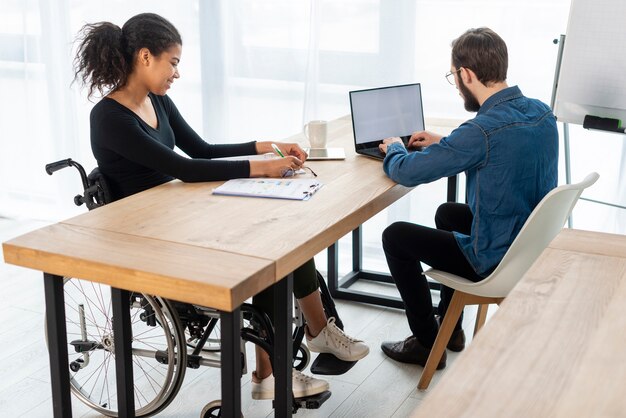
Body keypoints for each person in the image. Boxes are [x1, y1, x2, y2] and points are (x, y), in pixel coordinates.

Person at [73, 12, 368, 400]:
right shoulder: (109, 118)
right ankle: (302, 345)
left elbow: (202, 150)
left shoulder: (158, 102)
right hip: (150, 237)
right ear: (146, 57)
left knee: (285, 237)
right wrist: (264, 168)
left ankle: (294, 353)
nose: (176, 73)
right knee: (275, 247)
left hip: (179, 215)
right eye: (173, 62)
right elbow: (186, 168)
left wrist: (263, 145)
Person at [377, 28, 558, 369]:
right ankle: (452, 328)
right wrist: (445, 143)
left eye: (453, 77)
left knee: (395, 236)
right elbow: (500, 149)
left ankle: (427, 344)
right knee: (449, 213)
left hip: (495, 257)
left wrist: (395, 148)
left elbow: (406, 172)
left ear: (467, 74)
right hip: (527, 246)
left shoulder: (481, 131)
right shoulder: (542, 113)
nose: (456, 84)